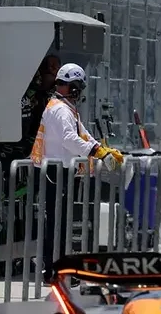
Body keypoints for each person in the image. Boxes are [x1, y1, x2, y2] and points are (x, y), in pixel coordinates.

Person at [30, 63, 124, 276]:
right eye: (77, 87)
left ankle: (58, 268)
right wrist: (97, 152)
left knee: (61, 222)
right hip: (56, 173)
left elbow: (83, 133)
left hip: (61, 171)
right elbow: (70, 139)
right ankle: (53, 269)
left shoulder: (65, 108)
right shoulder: (61, 110)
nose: (78, 92)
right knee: (57, 224)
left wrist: (103, 148)